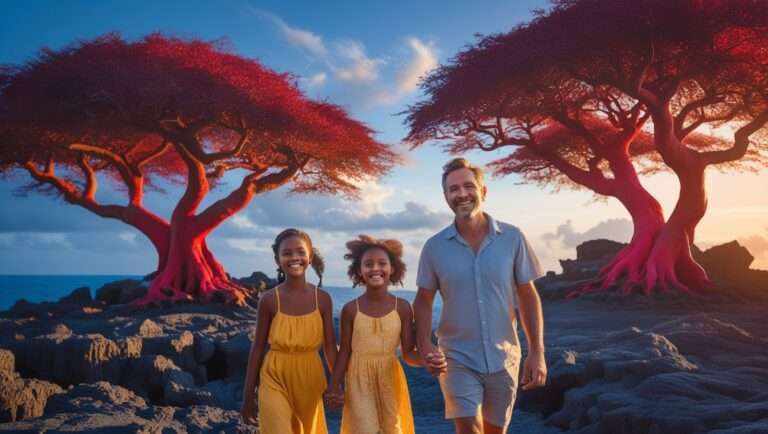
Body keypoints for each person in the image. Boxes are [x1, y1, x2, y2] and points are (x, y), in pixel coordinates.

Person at [414, 158, 547, 434]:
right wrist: (425, 344)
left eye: (468, 186)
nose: (461, 194)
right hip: (456, 356)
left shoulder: (513, 238)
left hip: (504, 357)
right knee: (468, 428)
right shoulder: (433, 247)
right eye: (453, 189)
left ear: (483, 191)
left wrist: (537, 352)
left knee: (494, 431)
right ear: (445, 197)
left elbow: (527, 295)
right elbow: (424, 299)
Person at [241, 228, 337, 434]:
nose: (294, 257)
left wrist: (338, 383)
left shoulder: (323, 299)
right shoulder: (268, 299)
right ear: (278, 260)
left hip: (310, 376)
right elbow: (257, 348)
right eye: (287, 253)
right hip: (274, 375)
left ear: (310, 257)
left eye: (301, 252)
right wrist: (248, 396)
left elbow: (329, 346)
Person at [325, 235, 420, 434]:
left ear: (392, 268)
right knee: (363, 429)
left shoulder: (402, 308)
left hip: (391, 377)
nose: (375, 268)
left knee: (393, 428)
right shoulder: (351, 310)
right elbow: (344, 352)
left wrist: (430, 358)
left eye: (382, 263)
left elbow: (409, 352)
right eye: (368, 264)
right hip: (359, 378)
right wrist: (335, 385)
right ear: (359, 271)